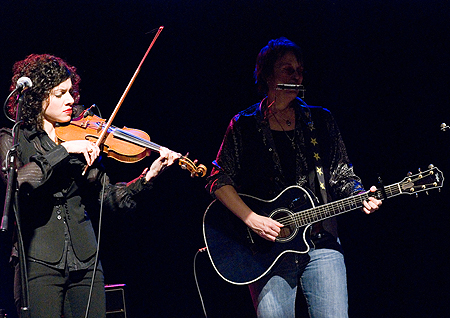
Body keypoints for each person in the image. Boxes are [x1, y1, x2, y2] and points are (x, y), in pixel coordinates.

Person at [206, 38, 382, 317]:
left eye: (299, 70)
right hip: (266, 251)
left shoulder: (321, 120)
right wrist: (252, 219)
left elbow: (341, 174)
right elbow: (218, 179)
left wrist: (360, 195)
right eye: (287, 69)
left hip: (321, 242)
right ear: (266, 74)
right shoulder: (244, 124)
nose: (296, 75)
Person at [0, 54, 180, 317]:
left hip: (86, 262)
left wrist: (147, 177)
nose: (71, 100)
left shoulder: (85, 136)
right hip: (37, 262)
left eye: (71, 92)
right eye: (60, 93)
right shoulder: (13, 138)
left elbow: (109, 197)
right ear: (38, 96)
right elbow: (21, 182)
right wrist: (65, 150)